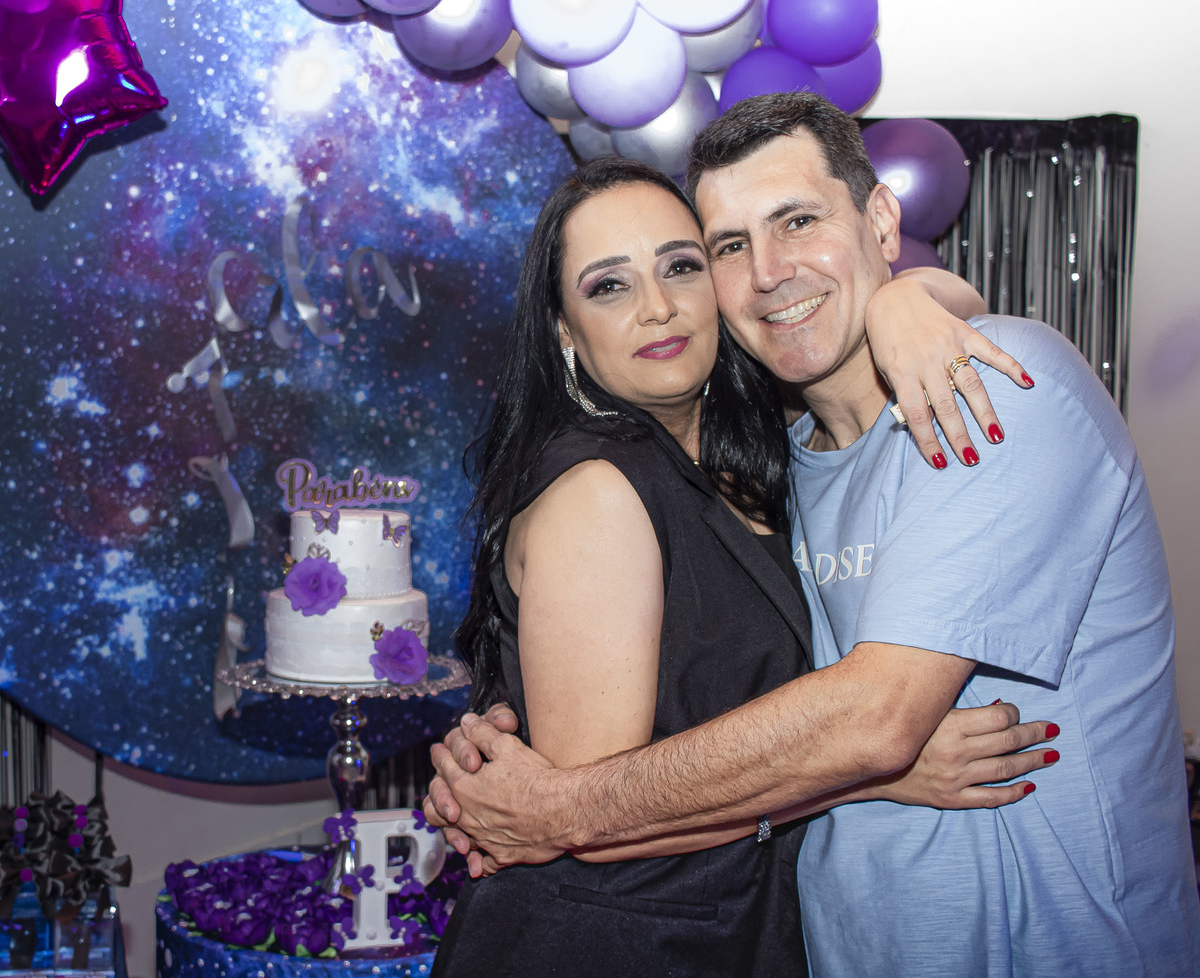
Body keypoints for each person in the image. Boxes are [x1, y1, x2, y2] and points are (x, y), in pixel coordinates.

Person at [427, 94, 1200, 976]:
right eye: (729, 247)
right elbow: (789, 733)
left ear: (883, 221)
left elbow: (875, 715)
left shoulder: (983, 392)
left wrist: (911, 294)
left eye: (797, 220)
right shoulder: (754, 466)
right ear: (565, 330)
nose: (767, 271)